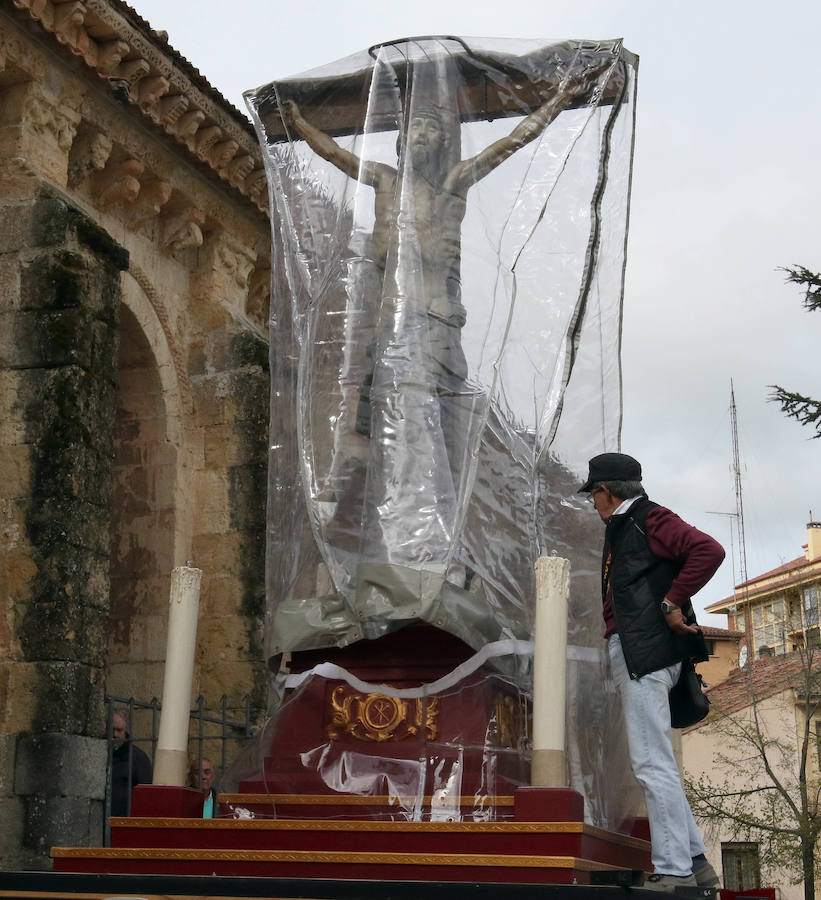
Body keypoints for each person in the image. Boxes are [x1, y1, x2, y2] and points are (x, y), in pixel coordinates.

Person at [579, 452, 724, 892]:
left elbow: (709, 550)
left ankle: (674, 870)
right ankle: (696, 861)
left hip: (645, 652)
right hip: (650, 651)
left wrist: (672, 601)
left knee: (649, 762)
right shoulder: (630, 523)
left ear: (605, 491)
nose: (592, 503)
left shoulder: (647, 518)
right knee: (657, 762)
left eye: (593, 495)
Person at [109, 712, 152, 817]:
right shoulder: (99, 752)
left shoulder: (138, 757)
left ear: (125, 731)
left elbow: (145, 794)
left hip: (124, 819)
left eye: (119, 730)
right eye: (111, 729)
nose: (115, 734)